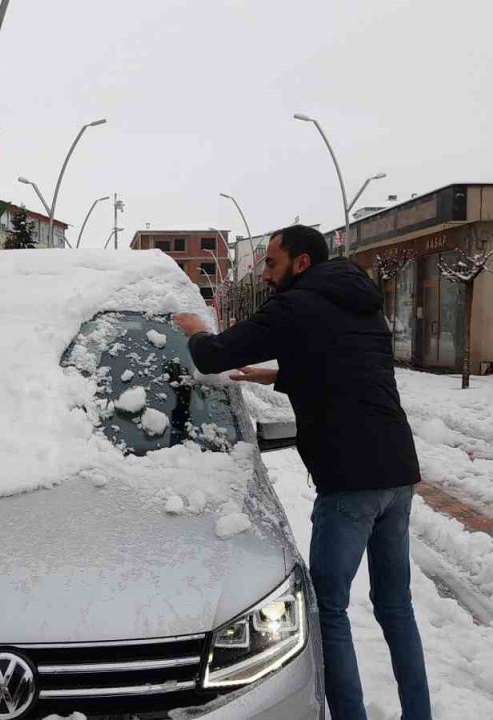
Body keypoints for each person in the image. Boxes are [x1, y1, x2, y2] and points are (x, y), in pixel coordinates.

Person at [174, 225, 430, 720]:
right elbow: (349, 366)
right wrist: (279, 374)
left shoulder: (296, 305)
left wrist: (195, 329)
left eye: (272, 263)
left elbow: (212, 355)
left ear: (302, 262)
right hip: (397, 471)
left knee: (329, 608)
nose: (266, 275)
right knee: (395, 605)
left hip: (349, 480)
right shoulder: (362, 302)